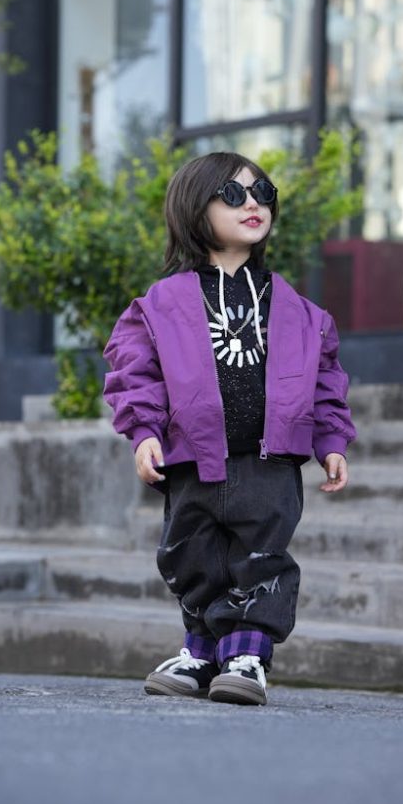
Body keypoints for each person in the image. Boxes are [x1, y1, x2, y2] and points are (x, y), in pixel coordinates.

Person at [103, 151, 356, 706]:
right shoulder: (159, 306)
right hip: (193, 459)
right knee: (191, 554)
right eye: (234, 194)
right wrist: (144, 432)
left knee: (261, 554)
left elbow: (326, 379)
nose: (254, 204)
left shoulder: (300, 311)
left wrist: (331, 441)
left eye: (263, 193)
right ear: (195, 209)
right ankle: (201, 651)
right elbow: (134, 373)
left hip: (269, 460)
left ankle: (246, 655)